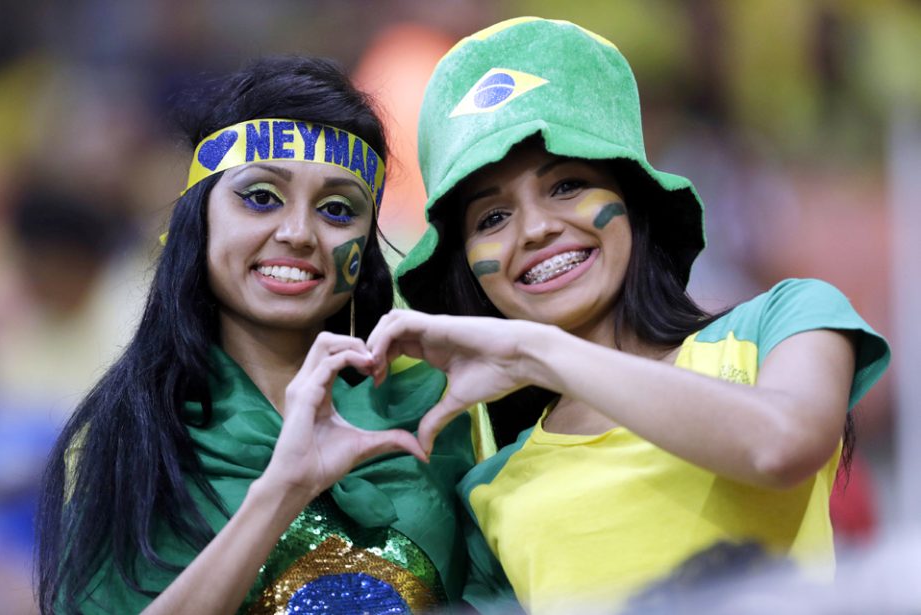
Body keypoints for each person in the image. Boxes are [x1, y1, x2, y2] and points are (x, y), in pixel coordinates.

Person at [366, 17, 891, 614]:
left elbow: (781, 446)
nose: (535, 228)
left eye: (567, 184)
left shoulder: (783, 322)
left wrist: (537, 353)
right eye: (492, 218)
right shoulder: (488, 493)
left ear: (635, 201)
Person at [36, 56, 481, 614]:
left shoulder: (439, 413)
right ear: (199, 221)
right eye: (261, 197)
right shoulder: (133, 440)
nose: (297, 233)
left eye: (337, 209)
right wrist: (282, 491)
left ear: (366, 250)